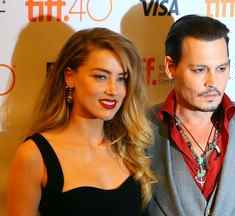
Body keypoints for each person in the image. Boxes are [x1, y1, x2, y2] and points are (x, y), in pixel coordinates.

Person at [146, 14, 235, 216]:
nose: (213, 81)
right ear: (170, 67)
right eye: (199, 69)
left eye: (221, 68)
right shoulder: (137, 130)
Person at [7, 27, 155, 216]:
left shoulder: (129, 146)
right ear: (70, 77)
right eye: (100, 77)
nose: (113, 90)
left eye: (122, 79)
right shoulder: (34, 156)